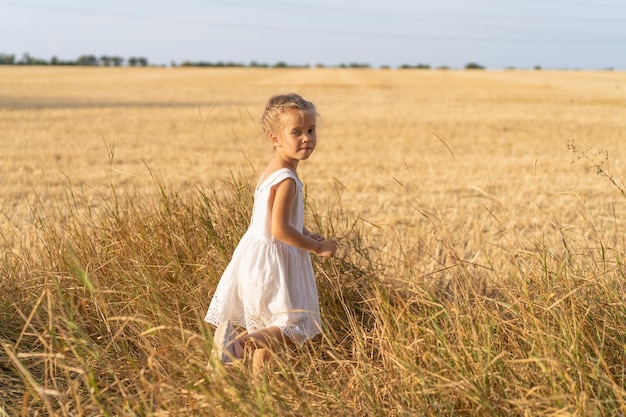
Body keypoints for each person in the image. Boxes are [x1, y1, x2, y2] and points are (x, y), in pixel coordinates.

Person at [205, 93, 338, 372]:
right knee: (290, 330)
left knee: (269, 333)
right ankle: (235, 346)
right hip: (275, 263)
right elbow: (279, 229)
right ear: (275, 138)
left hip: (256, 259)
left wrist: (305, 232)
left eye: (311, 130)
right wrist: (318, 247)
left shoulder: (273, 170)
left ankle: (259, 392)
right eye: (296, 132)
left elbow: (276, 220)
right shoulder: (288, 179)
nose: (306, 138)